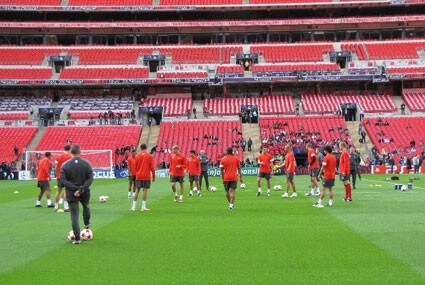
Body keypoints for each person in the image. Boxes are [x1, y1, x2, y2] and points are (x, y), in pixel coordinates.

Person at [60, 145, 93, 245]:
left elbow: (63, 180)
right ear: (80, 152)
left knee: (74, 215)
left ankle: (77, 238)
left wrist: (75, 189)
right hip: (84, 191)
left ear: (71, 153)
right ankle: (87, 224)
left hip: (71, 192)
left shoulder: (65, 165)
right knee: (86, 206)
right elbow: (90, 179)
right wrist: (81, 189)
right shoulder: (86, 164)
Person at [131, 144, 155, 211]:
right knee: (145, 191)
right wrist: (153, 176)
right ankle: (143, 207)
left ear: (140, 148)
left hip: (139, 176)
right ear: (146, 148)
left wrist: (136, 174)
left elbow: (134, 167)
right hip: (146, 176)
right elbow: (152, 167)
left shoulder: (137, 156)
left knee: (137, 190)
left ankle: (133, 207)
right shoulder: (149, 156)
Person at [54, 145, 72, 212]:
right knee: (66, 191)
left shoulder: (59, 156)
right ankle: (66, 207)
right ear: (69, 149)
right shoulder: (70, 156)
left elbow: (55, 167)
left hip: (59, 176)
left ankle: (56, 207)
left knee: (58, 191)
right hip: (67, 176)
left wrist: (57, 174)